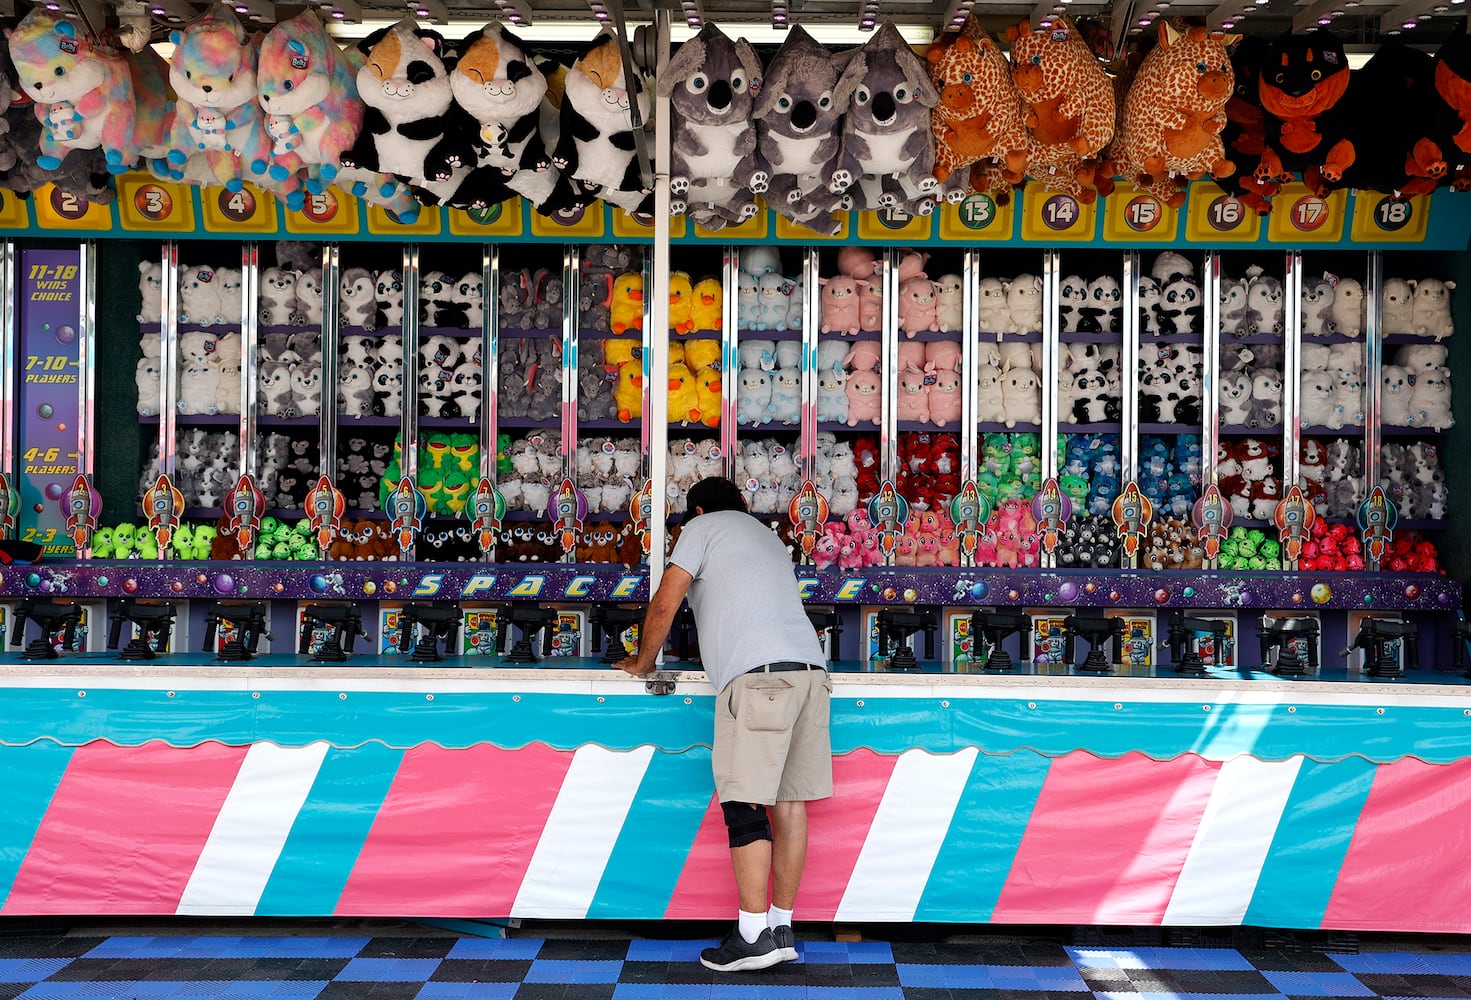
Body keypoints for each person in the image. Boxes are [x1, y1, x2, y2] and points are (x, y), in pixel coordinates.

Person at [615, 475, 831, 973]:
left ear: (695, 511)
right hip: (810, 675)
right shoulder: (767, 535)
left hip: (760, 680)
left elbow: (667, 600)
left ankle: (752, 935)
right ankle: (780, 927)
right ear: (742, 503)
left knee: (745, 802)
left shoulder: (703, 528)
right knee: (791, 805)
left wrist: (644, 661)